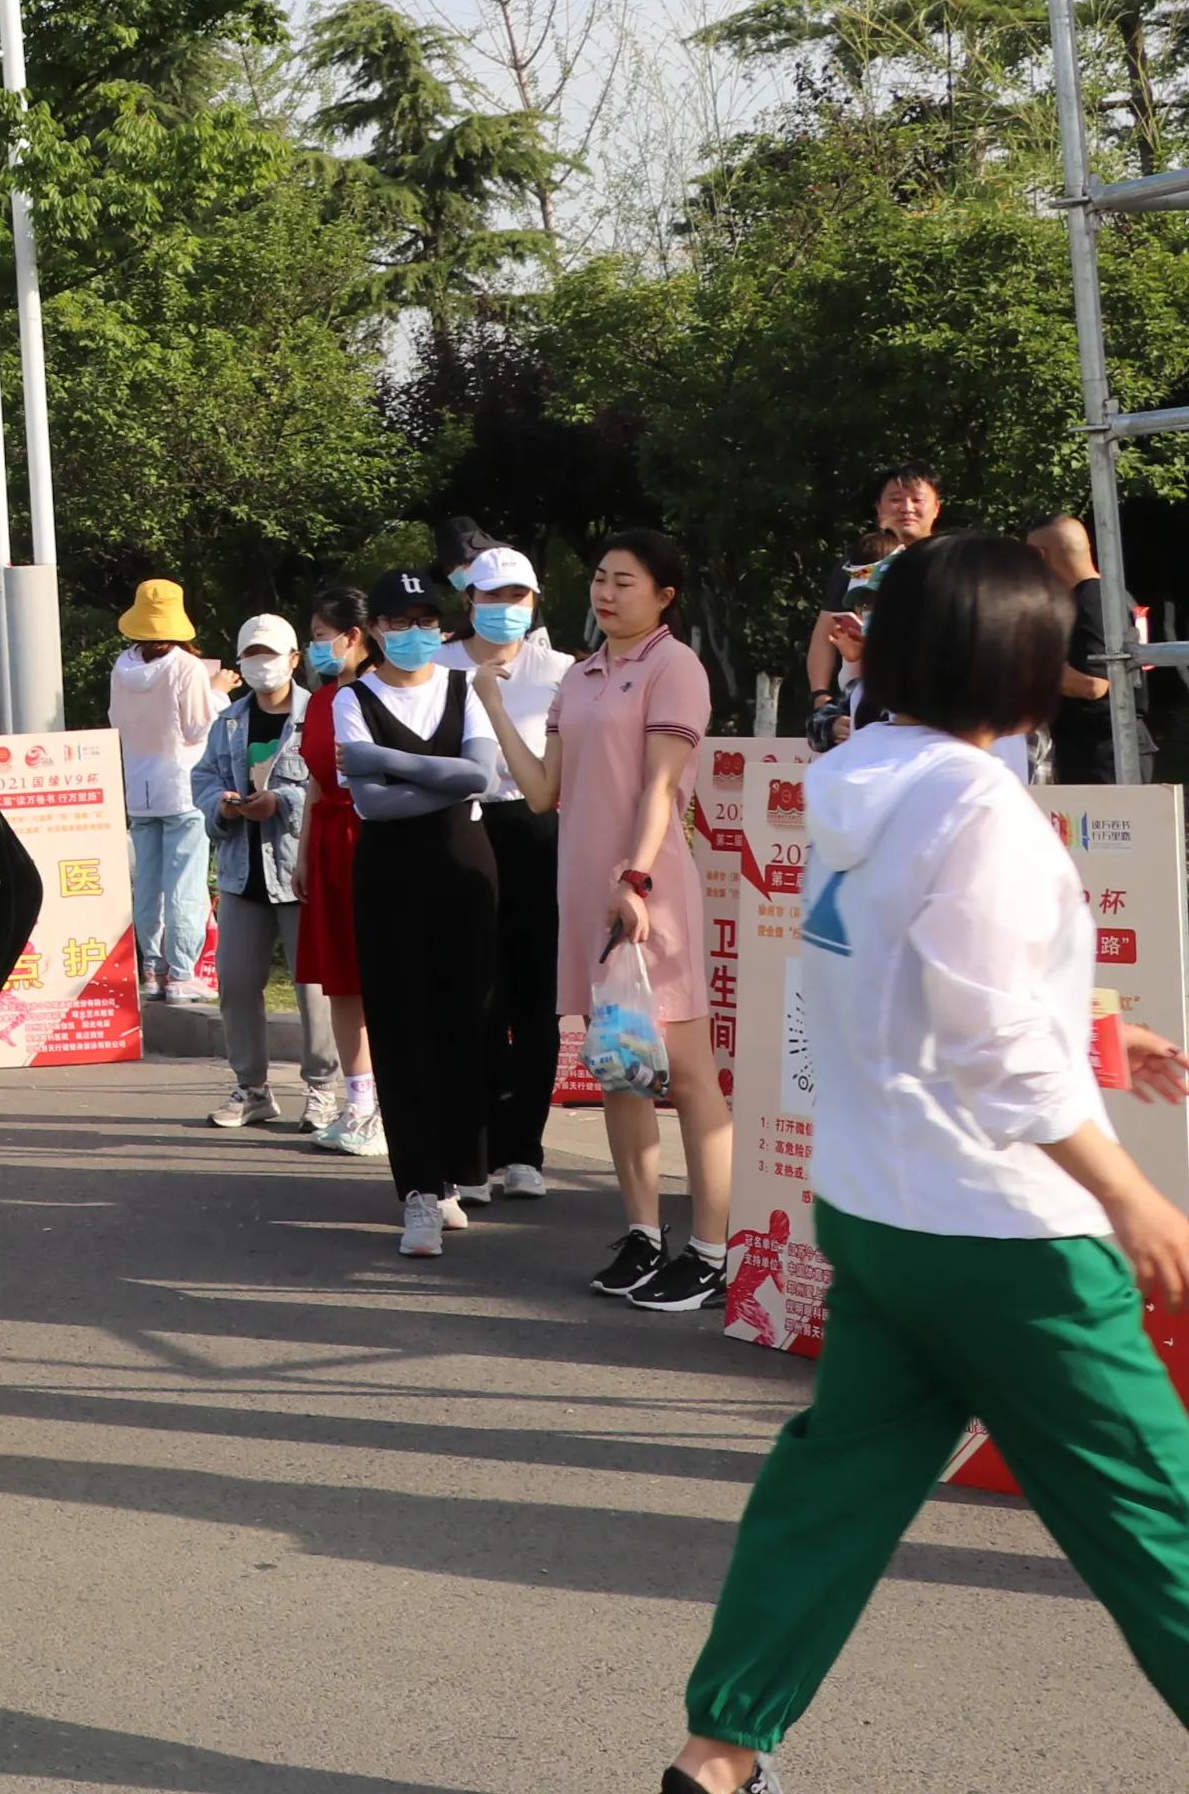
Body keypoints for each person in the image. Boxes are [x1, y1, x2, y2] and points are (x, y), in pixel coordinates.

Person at [661, 532, 1189, 1790]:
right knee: (1157, 1513)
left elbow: (915, 991)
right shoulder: (985, 813)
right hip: (1012, 1239)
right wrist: (1133, 1194)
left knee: (833, 1493)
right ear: (1017, 663)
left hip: (882, 1216)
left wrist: (1105, 1034)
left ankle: (717, 1757)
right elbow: (991, 1038)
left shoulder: (856, 781)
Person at [492, 529, 728, 1316]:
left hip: (648, 897)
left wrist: (636, 878)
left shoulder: (676, 668)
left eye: (625, 581)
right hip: (589, 901)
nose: (606, 592)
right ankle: (641, 1233)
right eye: (599, 577)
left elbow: (662, 788)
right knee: (623, 1068)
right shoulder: (580, 677)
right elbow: (540, 792)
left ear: (664, 596)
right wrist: (494, 704)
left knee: (688, 1077)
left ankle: (710, 1249)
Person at [332, 574, 502, 1258]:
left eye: (426, 618)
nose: (414, 632)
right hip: (392, 875)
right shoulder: (355, 698)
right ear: (374, 628)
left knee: (467, 1019)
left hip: (466, 869)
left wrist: (388, 761)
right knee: (402, 1027)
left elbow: (480, 778)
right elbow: (373, 805)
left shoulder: (464, 690)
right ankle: (418, 1192)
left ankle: (456, 1175)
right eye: (399, 620)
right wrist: (438, 776)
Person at [452, 546, 574, 1200]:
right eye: (493, 598)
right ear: (469, 601)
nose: (506, 611)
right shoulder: (437, 664)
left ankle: (524, 1146)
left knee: (533, 998)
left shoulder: (563, 671)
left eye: (518, 598)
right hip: (461, 831)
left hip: (534, 830)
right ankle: (477, 1147)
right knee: (473, 992)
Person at [189, 614, 335, 1129]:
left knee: (315, 988)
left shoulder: (319, 714)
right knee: (236, 982)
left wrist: (284, 802)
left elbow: (332, 783)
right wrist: (223, 805)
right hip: (241, 872)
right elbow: (203, 778)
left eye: (270, 654)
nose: (261, 664)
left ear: (295, 659)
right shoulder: (228, 720)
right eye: (251, 654)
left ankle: (323, 1089)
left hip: (299, 871)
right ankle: (252, 1088)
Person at [294, 590, 381, 1156]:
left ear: (354, 637)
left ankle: (393, 1105)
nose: (315, 647)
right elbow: (317, 782)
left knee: (379, 976)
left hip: (374, 836)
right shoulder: (322, 700)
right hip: (327, 840)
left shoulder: (388, 691)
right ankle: (360, 1103)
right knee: (341, 981)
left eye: (323, 634)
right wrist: (302, 854)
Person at [110, 579, 223, 1005]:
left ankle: (153, 970)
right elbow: (198, 727)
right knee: (186, 883)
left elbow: (117, 723)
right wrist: (219, 695)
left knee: (150, 884)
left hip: (139, 788)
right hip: (183, 786)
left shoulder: (122, 668)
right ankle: (182, 972)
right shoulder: (187, 668)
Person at [806, 467, 940, 743]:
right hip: (867, 698)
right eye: (895, 499)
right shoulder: (855, 565)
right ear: (878, 507)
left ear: (937, 507)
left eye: (917, 499)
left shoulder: (952, 564)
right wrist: (822, 697)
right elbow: (825, 633)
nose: (906, 508)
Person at [1028, 515, 1124, 785]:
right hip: (1096, 748)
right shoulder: (1103, 594)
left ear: (1040, 555)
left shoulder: (1093, 599)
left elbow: (1093, 683)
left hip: (1102, 753)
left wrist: (1021, 664)